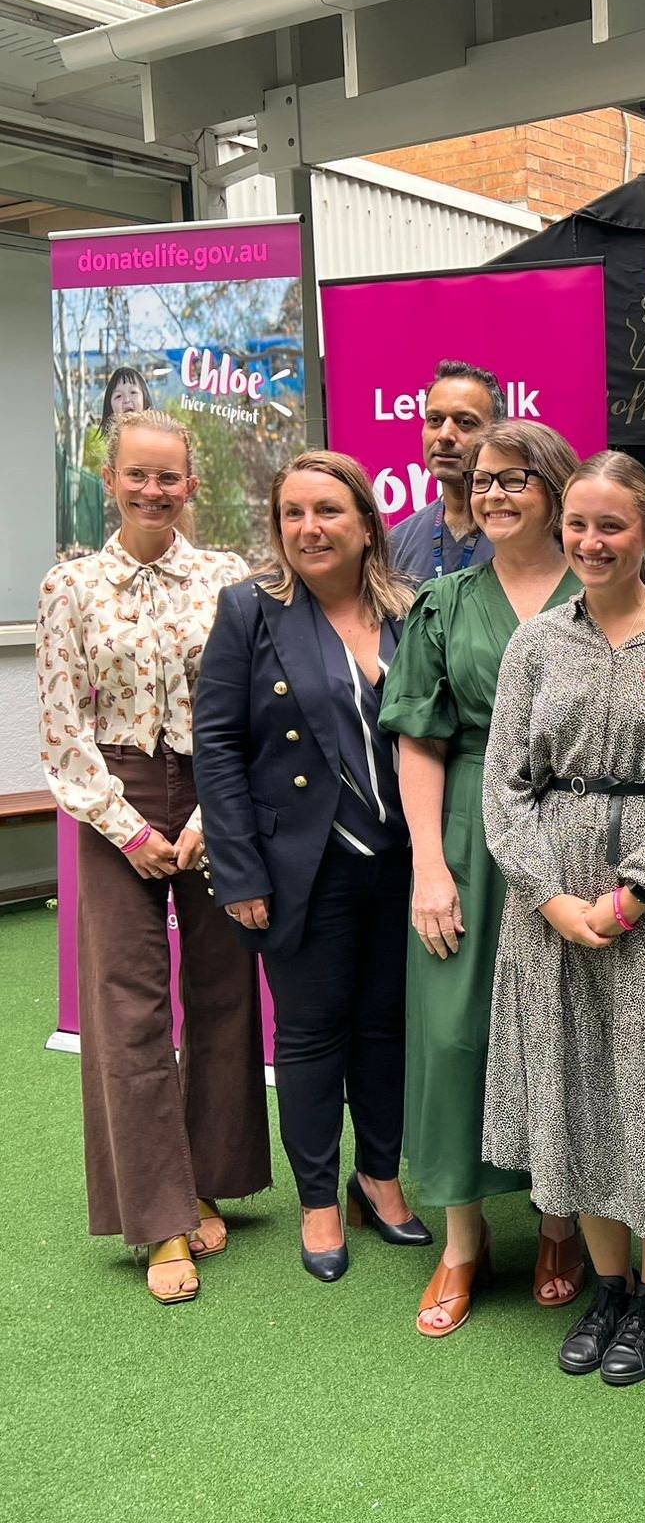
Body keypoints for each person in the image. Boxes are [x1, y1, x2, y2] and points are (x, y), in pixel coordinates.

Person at [481, 450, 645, 1387]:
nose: (591, 543)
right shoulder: (535, 646)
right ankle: (607, 1285)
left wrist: (632, 893)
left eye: (612, 526)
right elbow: (503, 788)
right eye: (578, 527)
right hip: (550, 901)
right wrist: (549, 897)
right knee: (575, 1089)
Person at [35, 409, 269, 1305]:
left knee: (220, 991)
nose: (154, 491)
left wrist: (211, 815)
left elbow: (246, 710)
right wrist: (128, 829)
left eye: (169, 476)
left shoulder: (227, 578)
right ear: (111, 481)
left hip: (214, 790)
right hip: (113, 794)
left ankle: (208, 1177)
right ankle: (160, 1219)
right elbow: (61, 731)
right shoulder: (71, 584)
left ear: (192, 482)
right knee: (128, 1004)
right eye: (138, 475)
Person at [194, 450, 432, 1282]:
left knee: (385, 1027)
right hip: (300, 866)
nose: (308, 528)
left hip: (402, 862)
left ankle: (380, 1177)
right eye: (293, 513)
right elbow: (217, 745)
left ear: (368, 525)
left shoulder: (411, 610)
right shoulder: (249, 612)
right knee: (309, 1033)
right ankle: (320, 1199)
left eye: (327, 510)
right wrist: (240, 873)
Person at [379, 418, 586, 1337]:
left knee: (565, 1032)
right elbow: (418, 736)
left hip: (577, 838)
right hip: (466, 833)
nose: (497, 495)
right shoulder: (445, 602)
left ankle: (559, 1222)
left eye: (519, 481)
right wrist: (430, 865)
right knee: (456, 1037)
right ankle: (464, 1240)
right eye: (488, 480)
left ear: (556, 492)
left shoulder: (608, 587)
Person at [387, 360, 501, 582]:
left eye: (465, 422)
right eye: (435, 420)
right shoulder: (396, 544)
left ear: (497, 433)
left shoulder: (522, 537)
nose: (445, 435)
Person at [99, 366, 152, 436]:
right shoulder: (114, 444)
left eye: (133, 392)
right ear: (110, 409)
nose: (127, 400)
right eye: (118, 396)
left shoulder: (158, 437)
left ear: (145, 399)